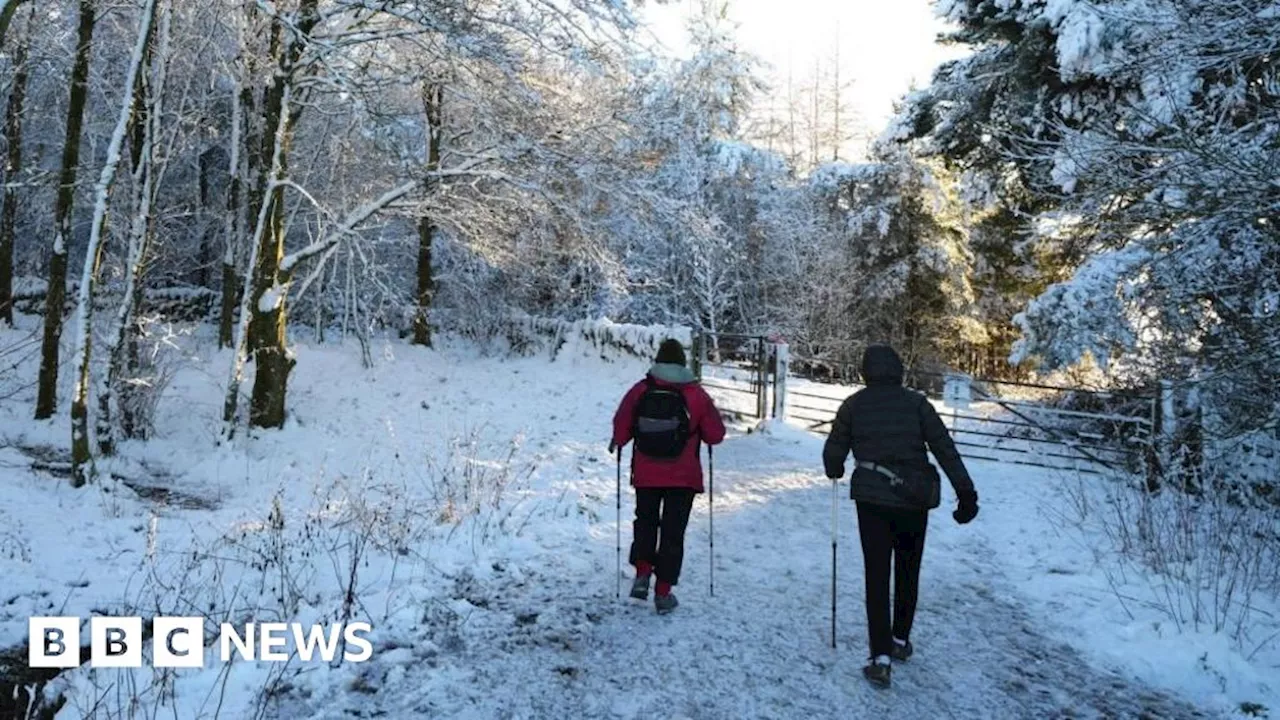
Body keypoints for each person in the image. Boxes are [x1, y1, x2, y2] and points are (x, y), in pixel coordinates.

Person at [822, 344, 979, 689]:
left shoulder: (854, 405)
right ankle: (899, 639)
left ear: (866, 371)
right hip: (913, 499)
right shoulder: (917, 404)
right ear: (898, 370)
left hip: (871, 501)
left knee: (876, 575)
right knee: (909, 569)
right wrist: (965, 493)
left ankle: (879, 657)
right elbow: (944, 448)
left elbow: (833, 453)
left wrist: (835, 466)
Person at [610, 338, 726, 614]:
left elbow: (622, 426)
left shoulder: (641, 390)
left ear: (658, 360)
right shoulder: (696, 394)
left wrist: (617, 440)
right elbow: (715, 435)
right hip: (683, 477)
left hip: (647, 473)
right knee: (673, 531)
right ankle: (663, 593)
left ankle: (642, 572)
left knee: (646, 521)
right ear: (683, 363)